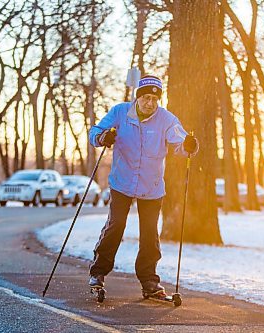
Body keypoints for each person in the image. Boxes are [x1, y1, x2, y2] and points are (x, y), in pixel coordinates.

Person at [88, 74, 198, 296]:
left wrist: (189, 145)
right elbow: (95, 132)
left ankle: (149, 280)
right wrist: (103, 138)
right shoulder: (120, 112)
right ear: (137, 97)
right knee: (116, 224)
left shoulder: (166, 119)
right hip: (122, 181)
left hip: (151, 185)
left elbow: (180, 143)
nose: (150, 103)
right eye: (146, 97)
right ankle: (98, 272)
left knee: (149, 233)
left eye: (154, 99)